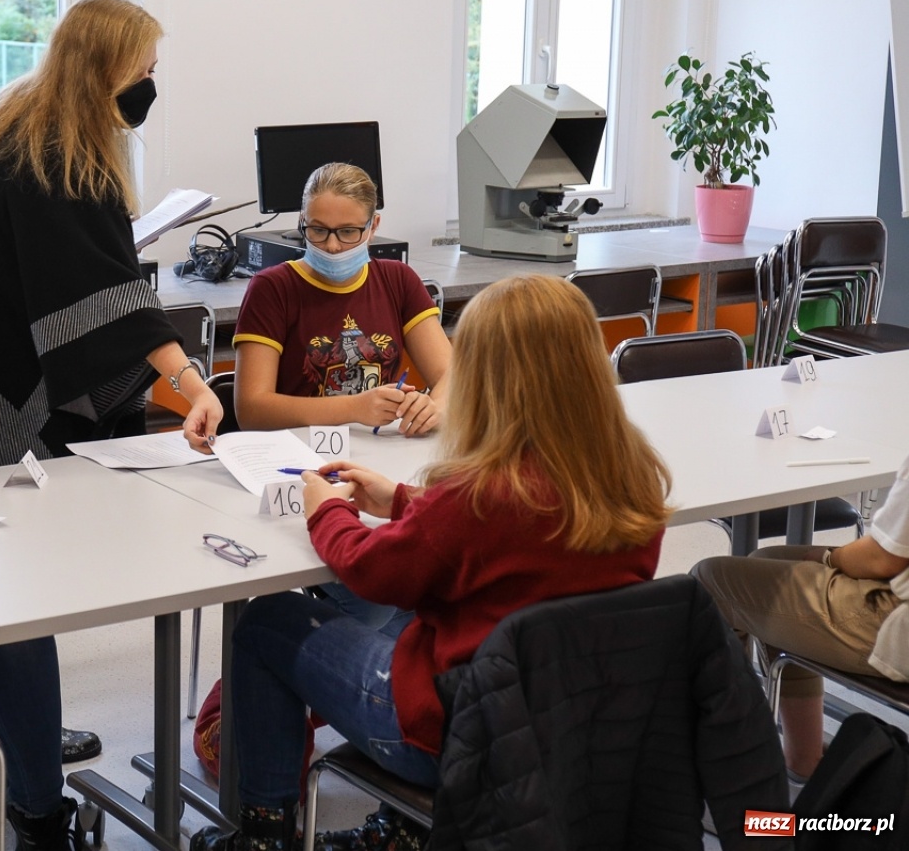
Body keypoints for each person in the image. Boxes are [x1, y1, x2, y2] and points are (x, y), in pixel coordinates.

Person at [192, 274, 672, 851]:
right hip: (574, 725)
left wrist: (325, 513)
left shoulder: (479, 491)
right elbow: (514, 535)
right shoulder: (629, 473)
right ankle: (406, 827)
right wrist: (403, 502)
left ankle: (264, 835)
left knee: (269, 619)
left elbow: (372, 571)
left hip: (455, 736)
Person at [0, 0, 224, 850]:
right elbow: (104, 298)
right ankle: (35, 800)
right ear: (106, 70)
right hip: (14, 386)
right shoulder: (62, 159)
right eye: (145, 72)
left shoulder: (6, 121)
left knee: (17, 588)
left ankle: (27, 752)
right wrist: (186, 375)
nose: (149, 87)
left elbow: (76, 274)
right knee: (23, 590)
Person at [693, 454, 909, 780]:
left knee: (710, 578)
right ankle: (804, 757)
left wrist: (829, 557)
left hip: (895, 624)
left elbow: (882, 559)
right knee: (768, 562)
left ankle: (730, 765)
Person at [232, 162, 449, 437]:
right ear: (302, 221)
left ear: (373, 227)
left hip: (382, 448)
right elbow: (251, 410)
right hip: (301, 451)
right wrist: (354, 408)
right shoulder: (273, 288)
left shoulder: (398, 280)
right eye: (318, 230)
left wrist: (436, 406)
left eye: (348, 232)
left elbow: (451, 376)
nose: (332, 246)